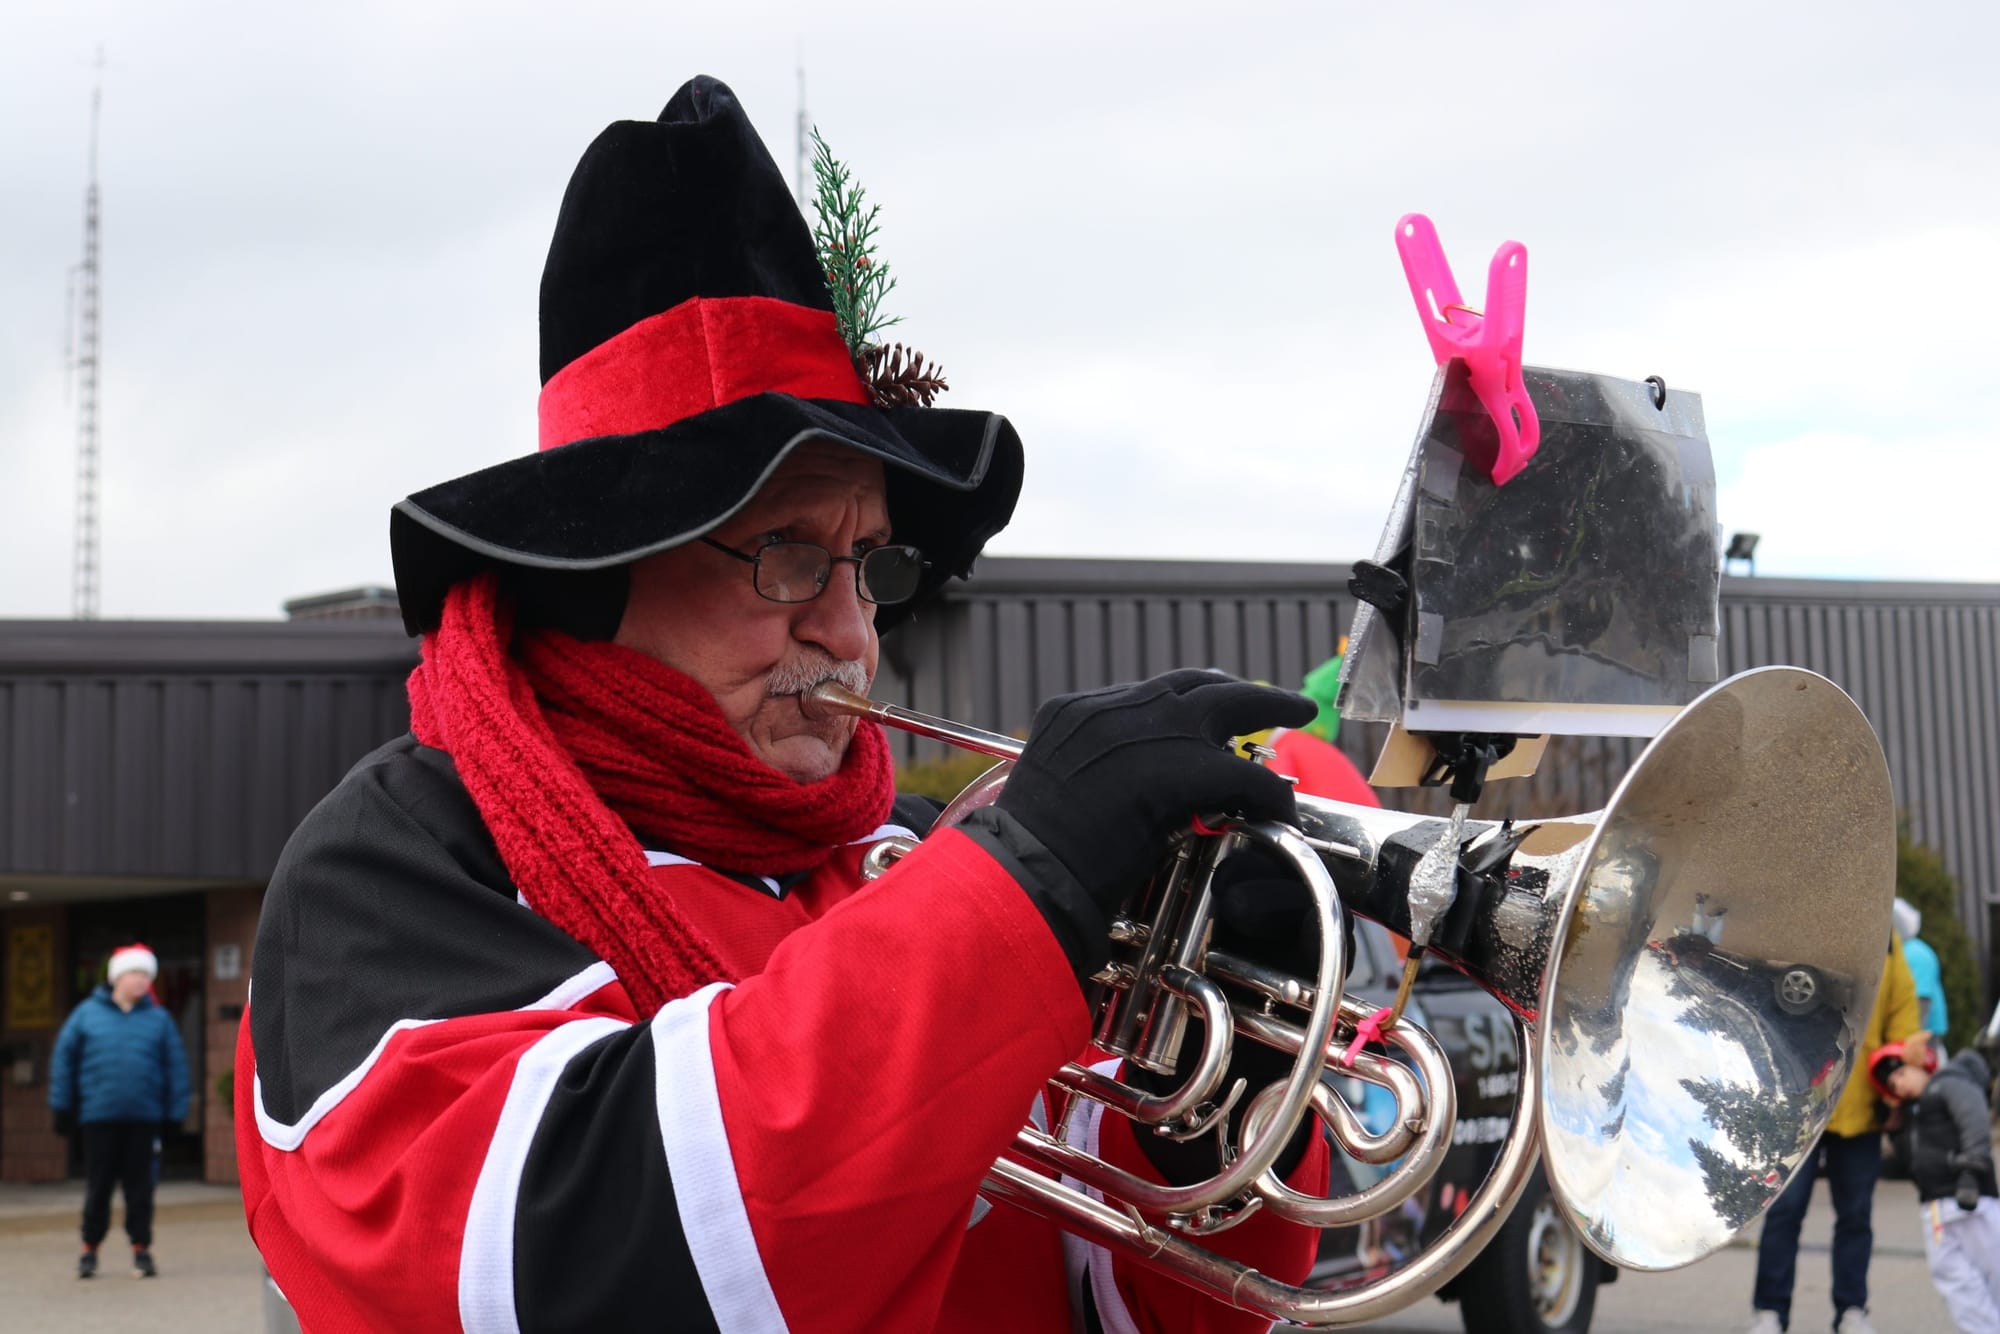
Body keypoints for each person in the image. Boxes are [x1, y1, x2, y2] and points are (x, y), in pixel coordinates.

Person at [236, 77, 1332, 1332]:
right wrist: (1023, 886)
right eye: (790, 554)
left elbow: (1141, 1304)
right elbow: (556, 1268)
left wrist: (1224, 1085)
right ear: (602, 574)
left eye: (869, 565)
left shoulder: (903, 869)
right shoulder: (405, 855)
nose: (851, 630)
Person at [1747, 936, 1922, 1334]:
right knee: (1785, 1211)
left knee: (1856, 1216)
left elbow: (1904, 1023)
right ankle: (1769, 1311)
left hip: (1861, 1107)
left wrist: (1896, 1089)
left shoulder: (1887, 944)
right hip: (1802, 1104)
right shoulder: (1811, 929)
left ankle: (1852, 1310)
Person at [49, 942, 191, 1279]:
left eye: (146, 975)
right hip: (99, 1118)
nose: (142, 981)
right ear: (116, 977)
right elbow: (63, 1063)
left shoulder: (159, 1020)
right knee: (98, 1188)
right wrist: (62, 1107)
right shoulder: (86, 1015)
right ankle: (89, 1249)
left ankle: (141, 1250)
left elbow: (176, 1070)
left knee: (140, 1189)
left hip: (144, 1119)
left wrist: (175, 1113)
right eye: (135, 974)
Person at [1875, 1039, 2000, 1332]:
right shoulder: (1917, 1113)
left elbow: (1975, 1122)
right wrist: (1894, 1125)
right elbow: (1906, 1163)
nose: (1899, 1087)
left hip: (1970, 1197)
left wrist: (1970, 1170)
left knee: (1992, 1272)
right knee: (1952, 1276)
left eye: (1901, 1075)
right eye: (1892, 1085)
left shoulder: (1950, 1082)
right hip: (1936, 1206)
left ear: (1920, 1064)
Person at [1894, 896, 1951, 1043]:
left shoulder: (1915, 953)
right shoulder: (1905, 952)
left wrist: (1911, 1038)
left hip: (1925, 1033)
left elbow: (1922, 1000)